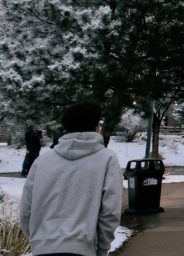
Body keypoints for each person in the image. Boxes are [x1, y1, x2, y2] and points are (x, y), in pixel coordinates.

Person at [19, 101, 121, 256]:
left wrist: (38, 241)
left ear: (65, 127)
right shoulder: (107, 159)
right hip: (84, 248)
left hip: (42, 248)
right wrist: (101, 249)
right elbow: (110, 212)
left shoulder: (42, 161)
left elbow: (26, 209)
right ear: (96, 126)